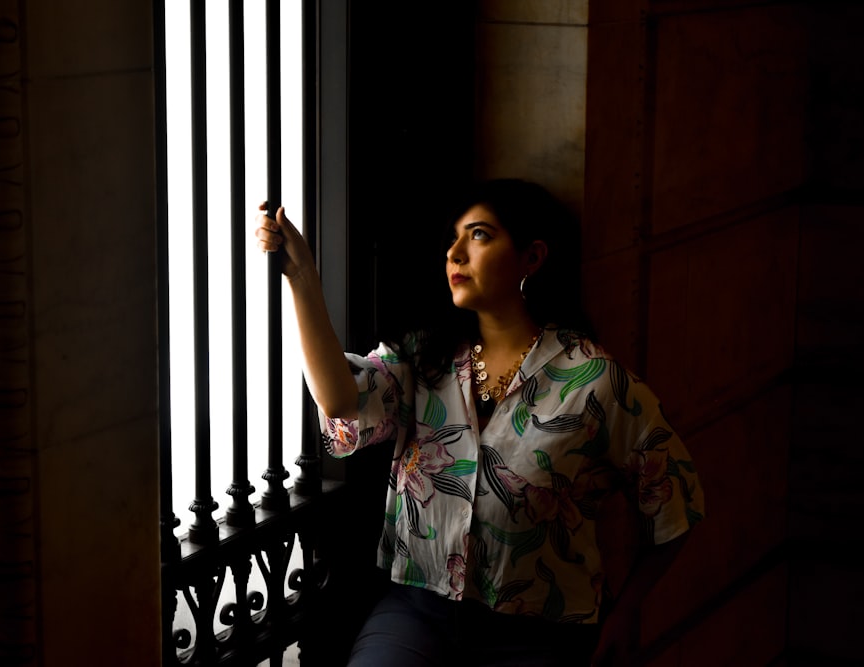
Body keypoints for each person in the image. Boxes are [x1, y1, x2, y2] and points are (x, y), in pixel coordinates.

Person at [255, 179, 704, 666]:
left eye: (479, 236)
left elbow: (676, 504)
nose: (455, 252)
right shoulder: (424, 358)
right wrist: (301, 279)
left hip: (540, 632)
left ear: (532, 258)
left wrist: (624, 615)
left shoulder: (596, 383)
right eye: (454, 238)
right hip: (418, 611)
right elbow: (340, 399)